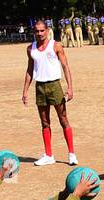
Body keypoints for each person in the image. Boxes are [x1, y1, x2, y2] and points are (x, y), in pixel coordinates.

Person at [22, 18, 76, 167]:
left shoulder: (56, 46)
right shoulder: (30, 48)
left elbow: (65, 67)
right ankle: (48, 155)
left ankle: (71, 154)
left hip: (54, 86)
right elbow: (29, 70)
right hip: (40, 87)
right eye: (36, 31)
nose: (39, 33)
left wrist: (70, 87)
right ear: (33, 32)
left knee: (63, 119)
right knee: (45, 122)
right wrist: (25, 91)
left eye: (42, 30)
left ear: (47, 31)